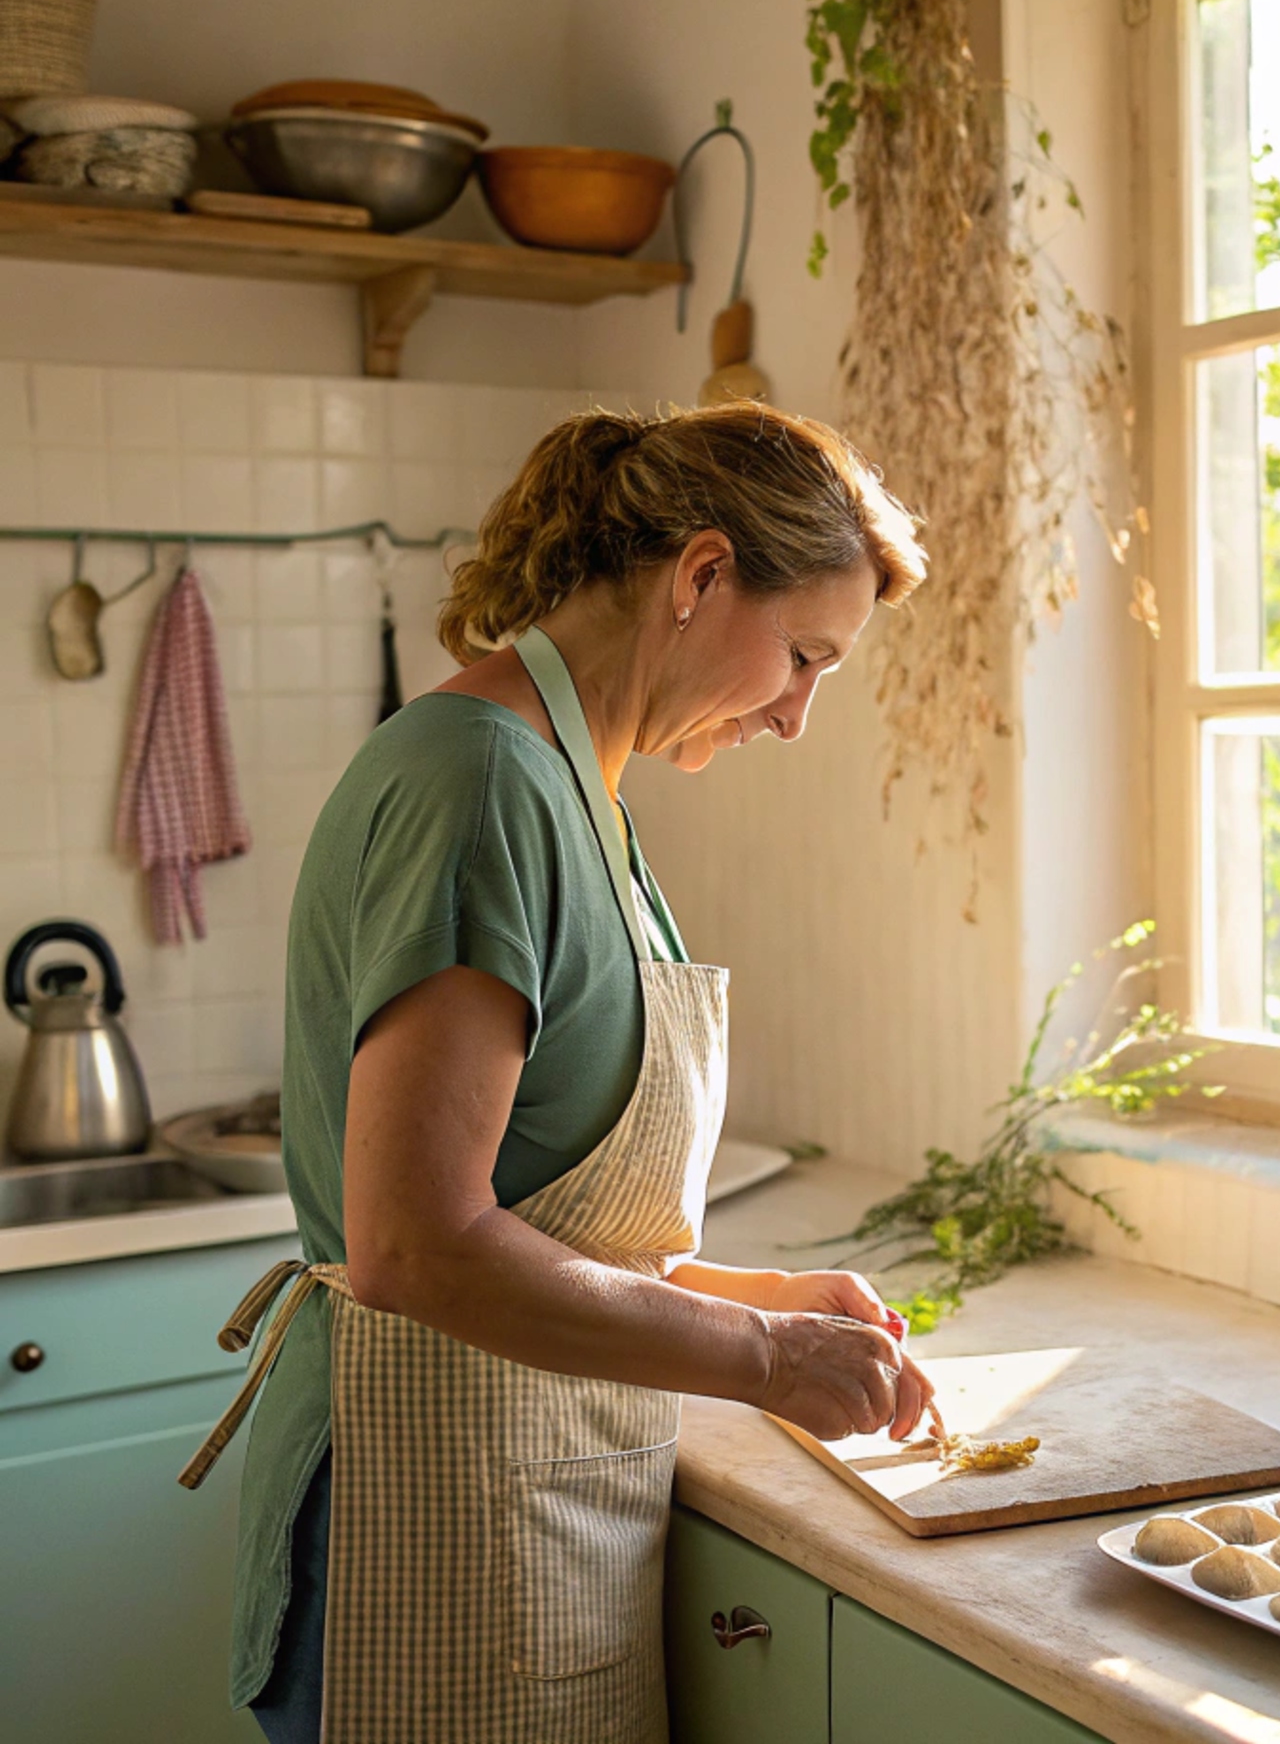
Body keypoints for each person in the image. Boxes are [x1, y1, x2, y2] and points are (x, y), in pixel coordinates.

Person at [183, 404, 936, 1744]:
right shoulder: (482, 784)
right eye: (804, 657)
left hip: (525, 1500)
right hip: (419, 1516)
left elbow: (542, 1215)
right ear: (701, 577)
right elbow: (417, 1244)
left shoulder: (584, 793)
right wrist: (764, 1355)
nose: (799, 717)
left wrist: (775, 1295)